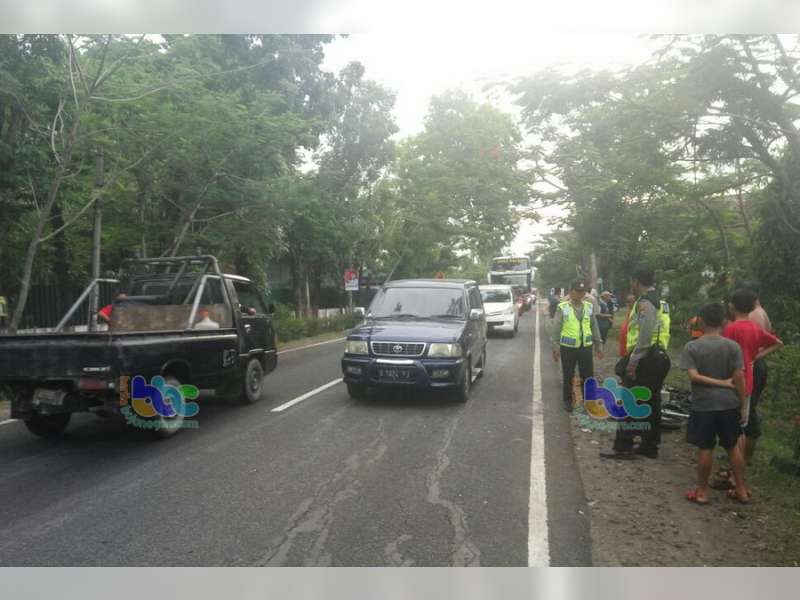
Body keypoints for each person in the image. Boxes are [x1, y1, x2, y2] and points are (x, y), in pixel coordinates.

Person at [681, 302, 750, 505]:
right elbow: (739, 377)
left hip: (704, 405)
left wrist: (718, 384)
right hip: (729, 404)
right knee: (732, 447)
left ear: (700, 321)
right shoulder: (732, 347)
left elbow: (694, 376)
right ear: (723, 322)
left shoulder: (692, 346)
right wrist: (742, 403)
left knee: (705, 447)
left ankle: (702, 492)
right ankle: (741, 489)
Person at [602, 267, 671, 459]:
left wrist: (633, 361)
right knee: (652, 401)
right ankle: (650, 445)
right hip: (659, 356)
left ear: (637, 281)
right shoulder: (661, 302)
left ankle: (623, 446)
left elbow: (645, 336)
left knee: (629, 401)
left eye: (633, 281)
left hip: (646, 358)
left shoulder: (646, 303)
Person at [723, 288, 783, 465]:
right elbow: (778, 342)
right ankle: (737, 472)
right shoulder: (755, 329)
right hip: (748, 381)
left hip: (731, 381)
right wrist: (754, 357)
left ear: (732, 306)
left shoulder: (731, 329)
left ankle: (733, 470)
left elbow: (724, 354)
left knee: (731, 427)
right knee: (742, 426)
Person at [551, 280, 603, 412]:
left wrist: (598, 345)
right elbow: (556, 329)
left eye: (582, 292)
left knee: (588, 375)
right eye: (577, 291)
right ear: (571, 291)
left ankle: (589, 402)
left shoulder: (588, 307)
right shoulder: (562, 307)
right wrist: (555, 347)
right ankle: (568, 401)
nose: (580, 294)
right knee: (568, 375)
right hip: (568, 347)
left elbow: (594, 326)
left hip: (585, 347)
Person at [617, 293, 635, 358]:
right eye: (628, 302)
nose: (629, 303)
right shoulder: (630, 309)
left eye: (631, 301)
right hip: (626, 331)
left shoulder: (635, 310)